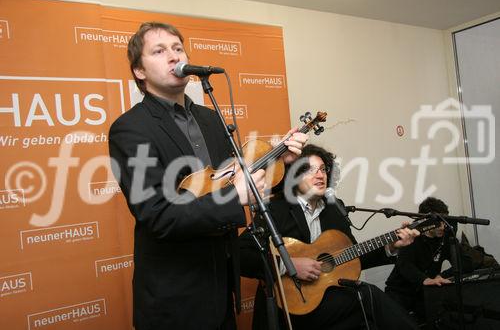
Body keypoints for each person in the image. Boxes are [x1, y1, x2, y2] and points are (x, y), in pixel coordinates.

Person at [108, 22, 308, 330]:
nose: (173, 56)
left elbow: (229, 180)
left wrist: (277, 158)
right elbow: (157, 215)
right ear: (139, 72)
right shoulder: (131, 129)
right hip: (174, 297)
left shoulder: (211, 118)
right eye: (159, 51)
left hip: (220, 288)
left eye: (178, 48)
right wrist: (234, 196)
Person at [240, 144, 420, 329]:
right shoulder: (275, 210)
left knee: (366, 315)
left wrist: (390, 247)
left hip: (324, 302)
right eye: (310, 170)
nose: (320, 175)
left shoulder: (334, 210)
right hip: (288, 308)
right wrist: (288, 265)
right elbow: (241, 256)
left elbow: (354, 257)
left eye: (323, 169)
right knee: (366, 294)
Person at [385, 197, 473, 323]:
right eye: (438, 223)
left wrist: (441, 275)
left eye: (444, 221)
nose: (442, 227)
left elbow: (465, 263)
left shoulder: (446, 238)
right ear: (425, 221)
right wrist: (425, 279)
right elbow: (405, 265)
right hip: (400, 292)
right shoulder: (412, 236)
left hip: (426, 292)